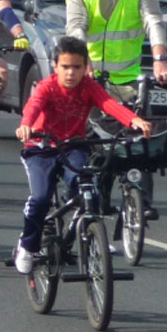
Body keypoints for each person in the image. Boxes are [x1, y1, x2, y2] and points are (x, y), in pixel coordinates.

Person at [12, 34, 152, 273]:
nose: (70, 73)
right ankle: (27, 245)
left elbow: (108, 103)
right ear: (55, 67)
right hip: (41, 148)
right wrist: (26, 124)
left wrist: (133, 120)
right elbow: (33, 106)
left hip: (73, 146)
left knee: (88, 191)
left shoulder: (88, 86)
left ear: (86, 67)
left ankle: (91, 237)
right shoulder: (47, 87)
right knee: (41, 198)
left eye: (77, 67)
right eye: (65, 67)